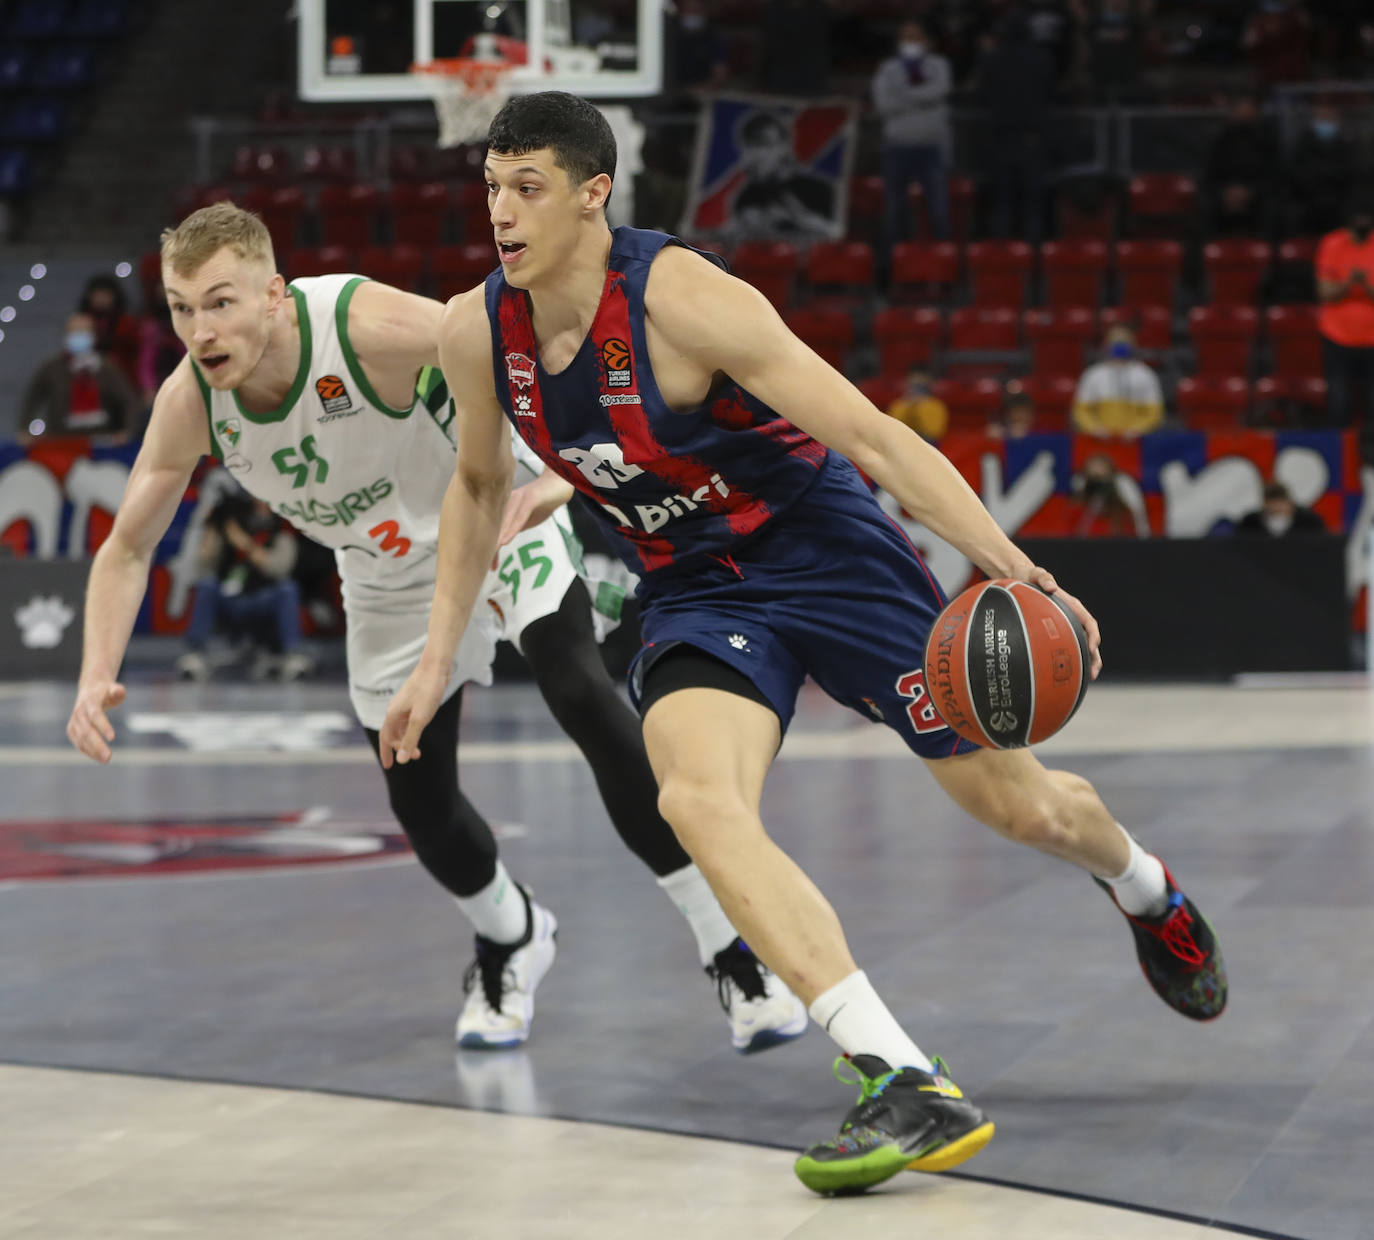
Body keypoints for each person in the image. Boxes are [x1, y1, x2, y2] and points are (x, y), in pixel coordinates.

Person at [381, 92, 1228, 1196]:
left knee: (1024, 808)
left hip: (826, 551)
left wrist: (1012, 567)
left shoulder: (685, 298)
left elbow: (871, 435)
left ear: (594, 194)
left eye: (527, 187)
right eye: (491, 187)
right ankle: (902, 1071)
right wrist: (440, 653)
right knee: (692, 797)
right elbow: (477, 487)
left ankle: (1145, 888)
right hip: (694, 587)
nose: (501, 211)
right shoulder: (475, 329)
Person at [65, 201, 806, 1056]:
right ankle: (511, 933)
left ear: (274, 295)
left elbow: (522, 349)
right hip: (384, 575)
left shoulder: (363, 326)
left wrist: (564, 482)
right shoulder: (190, 403)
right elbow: (126, 550)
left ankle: (728, 944)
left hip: (492, 516)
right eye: (182, 308)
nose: (201, 329)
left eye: (221, 302)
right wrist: (95, 673)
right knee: (415, 792)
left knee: (581, 693)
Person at [175, 488, 314, 683]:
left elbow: (278, 567)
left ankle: (293, 655)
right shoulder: (230, 524)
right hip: (229, 598)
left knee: (288, 589)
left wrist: (244, 543)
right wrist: (212, 526)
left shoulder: (281, 527)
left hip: (262, 598)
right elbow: (204, 561)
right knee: (207, 586)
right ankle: (194, 654)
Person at [871, 20, 953, 249]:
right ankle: (890, 274)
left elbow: (942, 90)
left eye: (916, 38)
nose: (911, 43)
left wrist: (901, 94)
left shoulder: (940, 65)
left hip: (931, 150)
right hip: (896, 149)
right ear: (899, 43)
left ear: (927, 42)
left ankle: (943, 272)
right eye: (906, 38)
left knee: (939, 211)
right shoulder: (887, 68)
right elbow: (884, 105)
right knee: (893, 213)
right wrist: (926, 101)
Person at [19, 310, 140, 443]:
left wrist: (127, 431)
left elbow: (128, 400)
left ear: (94, 336)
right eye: (74, 332)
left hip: (101, 442)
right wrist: (24, 429)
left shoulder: (107, 368)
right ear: (66, 335)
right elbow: (31, 399)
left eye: (84, 332)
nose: (79, 336)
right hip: (60, 441)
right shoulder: (51, 368)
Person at [1316, 194, 1374, 443]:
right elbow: (1324, 292)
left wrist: (1366, 286)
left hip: (1372, 339)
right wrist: (1351, 283)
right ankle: (1341, 461)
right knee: (1339, 404)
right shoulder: (1332, 243)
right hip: (1337, 336)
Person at [1203, 93, 1279, 238]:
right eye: (1240, 108)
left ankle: (1267, 257)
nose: (1244, 113)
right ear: (1233, 112)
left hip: (1257, 195)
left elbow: (1273, 175)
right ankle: (1207, 256)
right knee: (1204, 208)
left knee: (1273, 208)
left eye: (1248, 109)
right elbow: (1209, 175)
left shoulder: (1267, 141)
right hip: (1225, 195)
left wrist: (1250, 192)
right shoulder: (1219, 141)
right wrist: (1225, 192)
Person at [1072, 325, 1164, 437]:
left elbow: (1154, 412)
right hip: (1099, 440)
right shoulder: (1093, 374)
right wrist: (1093, 428)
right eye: (1115, 342)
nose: (1120, 346)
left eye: (1124, 342)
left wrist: (1138, 429)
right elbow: (1081, 410)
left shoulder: (1145, 375)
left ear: (1133, 345)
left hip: (1136, 442)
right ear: (1107, 346)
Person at [1234, 480, 1327, 537]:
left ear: (1290, 504)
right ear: (1264, 504)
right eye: (1272, 505)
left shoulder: (1309, 522)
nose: (1276, 509)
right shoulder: (1250, 523)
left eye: (1280, 504)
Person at [883, 365, 948, 442]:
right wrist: (908, 405)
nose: (917, 386)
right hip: (901, 443)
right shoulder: (899, 404)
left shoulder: (936, 406)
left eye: (921, 383)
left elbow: (933, 433)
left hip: (927, 445)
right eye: (914, 382)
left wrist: (919, 407)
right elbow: (893, 429)